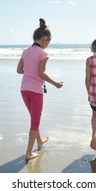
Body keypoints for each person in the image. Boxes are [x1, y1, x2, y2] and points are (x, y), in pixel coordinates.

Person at [16, 18, 63, 161]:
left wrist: (29, 71)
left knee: (34, 118)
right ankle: (29, 152)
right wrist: (56, 83)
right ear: (44, 39)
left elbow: (19, 70)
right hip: (36, 90)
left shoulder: (25, 51)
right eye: (48, 41)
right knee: (35, 121)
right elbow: (41, 73)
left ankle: (40, 140)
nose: (48, 44)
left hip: (24, 89)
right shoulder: (43, 53)